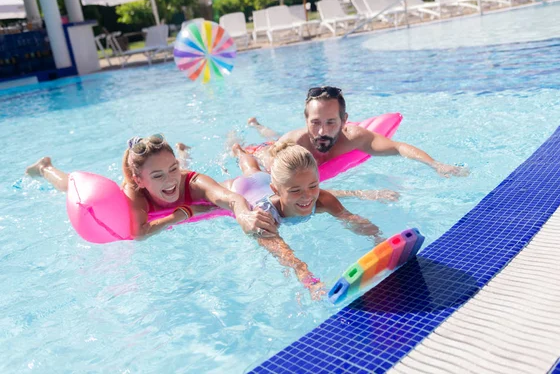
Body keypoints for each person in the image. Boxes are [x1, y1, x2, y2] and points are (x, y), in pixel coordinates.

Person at [25, 134, 278, 240]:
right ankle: (46, 167)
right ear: (139, 180)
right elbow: (139, 233)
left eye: (172, 169)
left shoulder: (192, 182)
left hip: (182, 177)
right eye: (157, 176)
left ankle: (180, 153)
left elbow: (231, 199)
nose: (169, 180)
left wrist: (244, 215)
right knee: (70, 186)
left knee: (178, 173)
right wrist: (181, 214)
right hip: (118, 189)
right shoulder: (134, 193)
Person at [223, 141, 385, 300]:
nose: (307, 196)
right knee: (250, 170)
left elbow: (351, 220)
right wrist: (310, 281)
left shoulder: (322, 199)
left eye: (313, 186)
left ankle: (249, 154)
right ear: (276, 190)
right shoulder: (265, 216)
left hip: (266, 180)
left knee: (257, 171)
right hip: (245, 188)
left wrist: (378, 238)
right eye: (295, 190)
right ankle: (238, 150)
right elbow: (285, 255)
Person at [246, 86, 470, 178]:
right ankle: (256, 126)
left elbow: (398, 147)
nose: (322, 131)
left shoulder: (354, 137)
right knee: (272, 138)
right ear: (306, 120)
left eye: (331, 122)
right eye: (315, 122)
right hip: (269, 150)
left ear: (344, 120)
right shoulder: (296, 143)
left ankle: (257, 125)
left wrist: (436, 164)